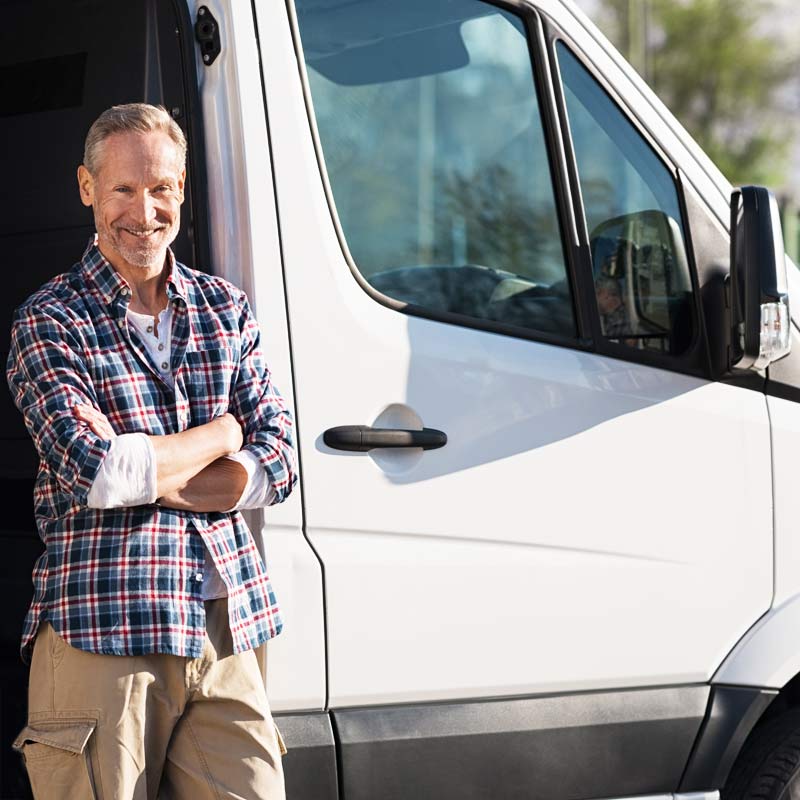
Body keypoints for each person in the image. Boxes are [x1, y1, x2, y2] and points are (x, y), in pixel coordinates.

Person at [7, 103, 297, 799]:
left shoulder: (225, 308)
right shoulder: (49, 320)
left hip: (227, 628)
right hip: (103, 628)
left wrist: (152, 471)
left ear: (183, 190)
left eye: (162, 188)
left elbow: (282, 461)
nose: (145, 211)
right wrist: (224, 435)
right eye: (123, 190)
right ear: (86, 188)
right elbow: (98, 472)